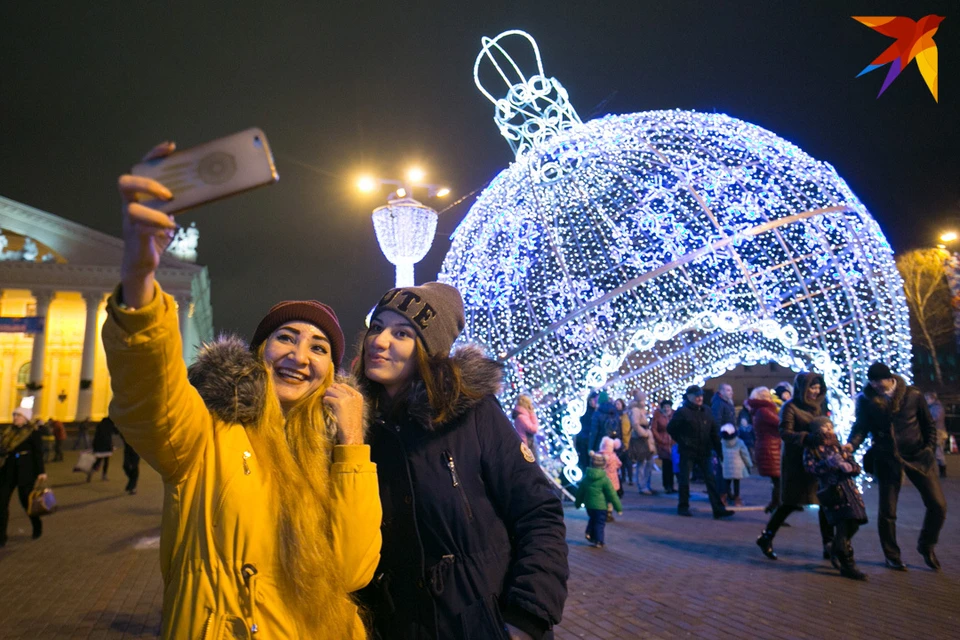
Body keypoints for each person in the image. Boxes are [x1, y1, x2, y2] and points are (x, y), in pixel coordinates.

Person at [106, 148, 381, 638]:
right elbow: (149, 395)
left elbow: (353, 570)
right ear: (260, 353)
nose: (301, 355)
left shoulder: (335, 454)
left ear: (331, 374)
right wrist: (138, 282)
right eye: (286, 338)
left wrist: (353, 444)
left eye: (319, 347)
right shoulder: (207, 435)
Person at [354, 282, 568, 640]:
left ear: (429, 350)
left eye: (402, 333)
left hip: (484, 624)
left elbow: (538, 512)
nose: (380, 341)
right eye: (377, 327)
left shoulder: (473, 414)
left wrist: (526, 617)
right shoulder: (360, 429)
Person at [848, 362, 946, 571]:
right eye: (872, 382)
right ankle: (891, 555)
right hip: (887, 457)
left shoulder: (913, 395)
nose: (876, 386)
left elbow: (928, 424)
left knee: (937, 505)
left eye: (879, 381)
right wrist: (851, 445)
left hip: (917, 455)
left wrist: (929, 449)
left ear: (889, 378)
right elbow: (861, 427)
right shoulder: (866, 400)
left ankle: (926, 544)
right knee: (888, 511)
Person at [756, 372, 833, 561]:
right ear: (802, 388)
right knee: (790, 503)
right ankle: (767, 537)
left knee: (825, 502)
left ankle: (829, 545)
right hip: (797, 462)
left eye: (817, 388)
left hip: (818, 461)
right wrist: (808, 438)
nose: (815, 392)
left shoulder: (820, 406)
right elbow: (785, 432)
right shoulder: (790, 407)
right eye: (811, 388)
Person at [804, 417, 868, 580]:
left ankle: (835, 549)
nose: (829, 430)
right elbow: (811, 469)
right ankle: (848, 565)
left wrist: (850, 467)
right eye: (824, 428)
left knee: (854, 522)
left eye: (830, 427)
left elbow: (856, 467)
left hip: (849, 491)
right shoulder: (812, 449)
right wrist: (829, 463)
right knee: (843, 525)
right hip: (832, 493)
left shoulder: (839, 446)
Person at [666, 385, 734, 519]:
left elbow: (714, 432)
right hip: (688, 451)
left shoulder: (707, 411)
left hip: (704, 450)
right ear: (689, 396)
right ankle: (683, 506)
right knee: (684, 479)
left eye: (701, 395)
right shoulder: (682, 412)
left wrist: (719, 450)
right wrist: (682, 440)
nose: (699, 398)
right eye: (696, 395)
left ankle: (718, 509)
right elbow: (671, 428)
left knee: (711, 480)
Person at [0, 407, 47, 546]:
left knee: (26, 502)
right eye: (14, 415)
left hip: (26, 470)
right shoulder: (9, 431)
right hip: (8, 469)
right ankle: (1, 536)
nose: (15, 418)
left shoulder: (32, 433)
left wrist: (41, 472)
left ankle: (37, 525)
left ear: (26, 418)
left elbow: (38, 453)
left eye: (19, 416)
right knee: (1, 503)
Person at [575, 452, 623, 549]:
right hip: (601, 506)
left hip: (589, 505)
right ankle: (599, 540)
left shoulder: (586, 478)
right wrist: (618, 507)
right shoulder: (605, 479)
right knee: (600, 523)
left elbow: (580, 492)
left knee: (593, 519)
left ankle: (589, 533)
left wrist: (578, 503)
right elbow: (612, 494)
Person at [746, 387, 782, 513]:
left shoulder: (761, 410)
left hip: (769, 448)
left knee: (778, 482)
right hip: (771, 449)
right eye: (766, 395)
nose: (769, 397)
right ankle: (775, 510)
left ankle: (774, 507)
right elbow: (780, 423)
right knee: (779, 482)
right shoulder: (764, 411)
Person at [720, 424, 752, 506]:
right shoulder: (740, 442)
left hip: (726, 467)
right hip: (738, 468)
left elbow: (720, 455)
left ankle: (723, 498)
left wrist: (721, 464)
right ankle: (737, 499)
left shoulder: (722, 442)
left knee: (727, 482)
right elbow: (745, 455)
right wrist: (749, 464)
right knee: (736, 483)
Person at [629, 397, 656, 494]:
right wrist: (644, 433)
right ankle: (643, 486)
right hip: (641, 440)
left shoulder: (642, 410)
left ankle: (646, 485)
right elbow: (635, 424)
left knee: (648, 462)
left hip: (645, 439)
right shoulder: (636, 410)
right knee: (643, 463)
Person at [651, 400, 676, 493]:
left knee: (674, 465)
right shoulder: (658, 415)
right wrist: (660, 439)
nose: (666, 408)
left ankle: (672, 485)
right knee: (666, 465)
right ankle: (667, 485)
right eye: (665, 407)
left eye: (668, 407)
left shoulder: (674, 415)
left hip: (673, 442)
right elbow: (654, 428)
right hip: (663, 443)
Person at [925, 391, 948, 478]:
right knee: (934, 452)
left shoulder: (937, 407)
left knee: (938, 452)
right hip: (936, 431)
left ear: (932, 399)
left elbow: (936, 418)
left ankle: (942, 470)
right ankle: (938, 470)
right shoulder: (933, 407)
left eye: (927, 399)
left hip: (938, 432)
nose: (926, 400)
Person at [599, 435, 622, 521]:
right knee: (611, 497)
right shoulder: (613, 456)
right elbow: (619, 464)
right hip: (612, 481)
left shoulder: (599, 455)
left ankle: (602, 511)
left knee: (603, 496)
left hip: (602, 480)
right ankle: (609, 512)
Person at [512, 394, 540, 463]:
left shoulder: (520, 416)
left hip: (529, 444)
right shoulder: (522, 417)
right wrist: (532, 413)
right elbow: (534, 429)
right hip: (529, 445)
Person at [87, 416, 115, 482]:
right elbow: (115, 432)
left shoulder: (99, 426)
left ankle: (91, 471)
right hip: (107, 447)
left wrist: (94, 446)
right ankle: (104, 475)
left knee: (98, 461)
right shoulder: (110, 426)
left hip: (99, 447)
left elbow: (96, 437)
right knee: (106, 461)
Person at [576, 392, 598, 472]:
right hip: (584, 439)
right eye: (591, 400)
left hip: (593, 440)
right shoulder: (585, 412)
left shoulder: (597, 412)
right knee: (585, 461)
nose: (593, 402)